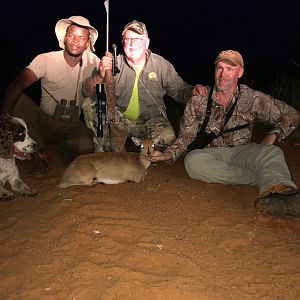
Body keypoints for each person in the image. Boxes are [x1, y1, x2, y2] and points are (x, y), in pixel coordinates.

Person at [149, 50, 300, 218]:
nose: (223, 74)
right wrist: (167, 155)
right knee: (192, 162)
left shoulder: (253, 98)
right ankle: (264, 175)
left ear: (240, 72)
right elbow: (186, 137)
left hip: (242, 151)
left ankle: (283, 193)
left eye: (230, 69)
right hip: (210, 154)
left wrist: (274, 134)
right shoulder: (198, 100)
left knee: (272, 152)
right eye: (219, 68)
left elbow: (292, 115)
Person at [82, 20, 206, 152]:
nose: (132, 44)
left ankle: (140, 145)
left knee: (168, 139)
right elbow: (87, 92)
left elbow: (180, 90)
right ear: (122, 42)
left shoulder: (161, 64)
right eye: (128, 39)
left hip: (148, 121)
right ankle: (107, 146)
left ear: (147, 43)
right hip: (117, 120)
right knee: (89, 104)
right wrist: (100, 76)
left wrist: (194, 91)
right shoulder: (114, 63)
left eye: (138, 39)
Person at [0, 16, 100, 175]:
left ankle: (68, 153)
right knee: (20, 100)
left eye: (81, 37)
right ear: (64, 37)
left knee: (85, 146)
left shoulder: (94, 61)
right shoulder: (45, 59)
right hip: (44, 122)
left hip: (71, 124)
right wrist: (3, 121)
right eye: (72, 35)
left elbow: (103, 88)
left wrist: (105, 73)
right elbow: (18, 83)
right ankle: (37, 154)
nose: (75, 41)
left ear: (87, 42)